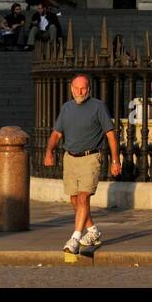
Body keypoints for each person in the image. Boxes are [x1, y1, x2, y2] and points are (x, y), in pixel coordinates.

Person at [43, 74, 121, 253]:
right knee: (74, 198)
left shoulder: (98, 107)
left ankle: (75, 238)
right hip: (70, 158)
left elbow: (110, 135)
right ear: (71, 89)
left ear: (89, 89)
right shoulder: (66, 108)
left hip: (90, 158)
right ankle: (93, 231)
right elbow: (56, 133)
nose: (79, 91)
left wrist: (115, 161)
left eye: (83, 88)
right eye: (76, 88)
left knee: (84, 196)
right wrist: (49, 151)